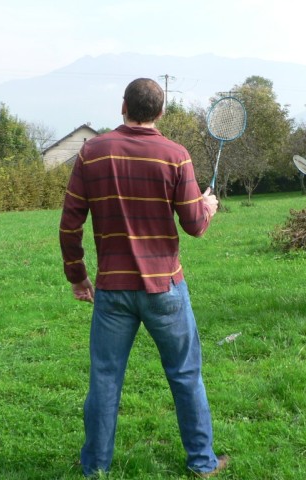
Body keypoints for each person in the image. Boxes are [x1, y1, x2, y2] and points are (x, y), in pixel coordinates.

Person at [59, 78, 229, 478]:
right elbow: (194, 226)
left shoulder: (92, 153)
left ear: (123, 106)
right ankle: (202, 463)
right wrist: (208, 207)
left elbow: (69, 226)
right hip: (165, 287)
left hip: (112, 291)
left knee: (104, 378)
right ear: (161, 112)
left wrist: (78, 276)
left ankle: (95, 468)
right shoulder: (175, 155)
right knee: (186, 375)